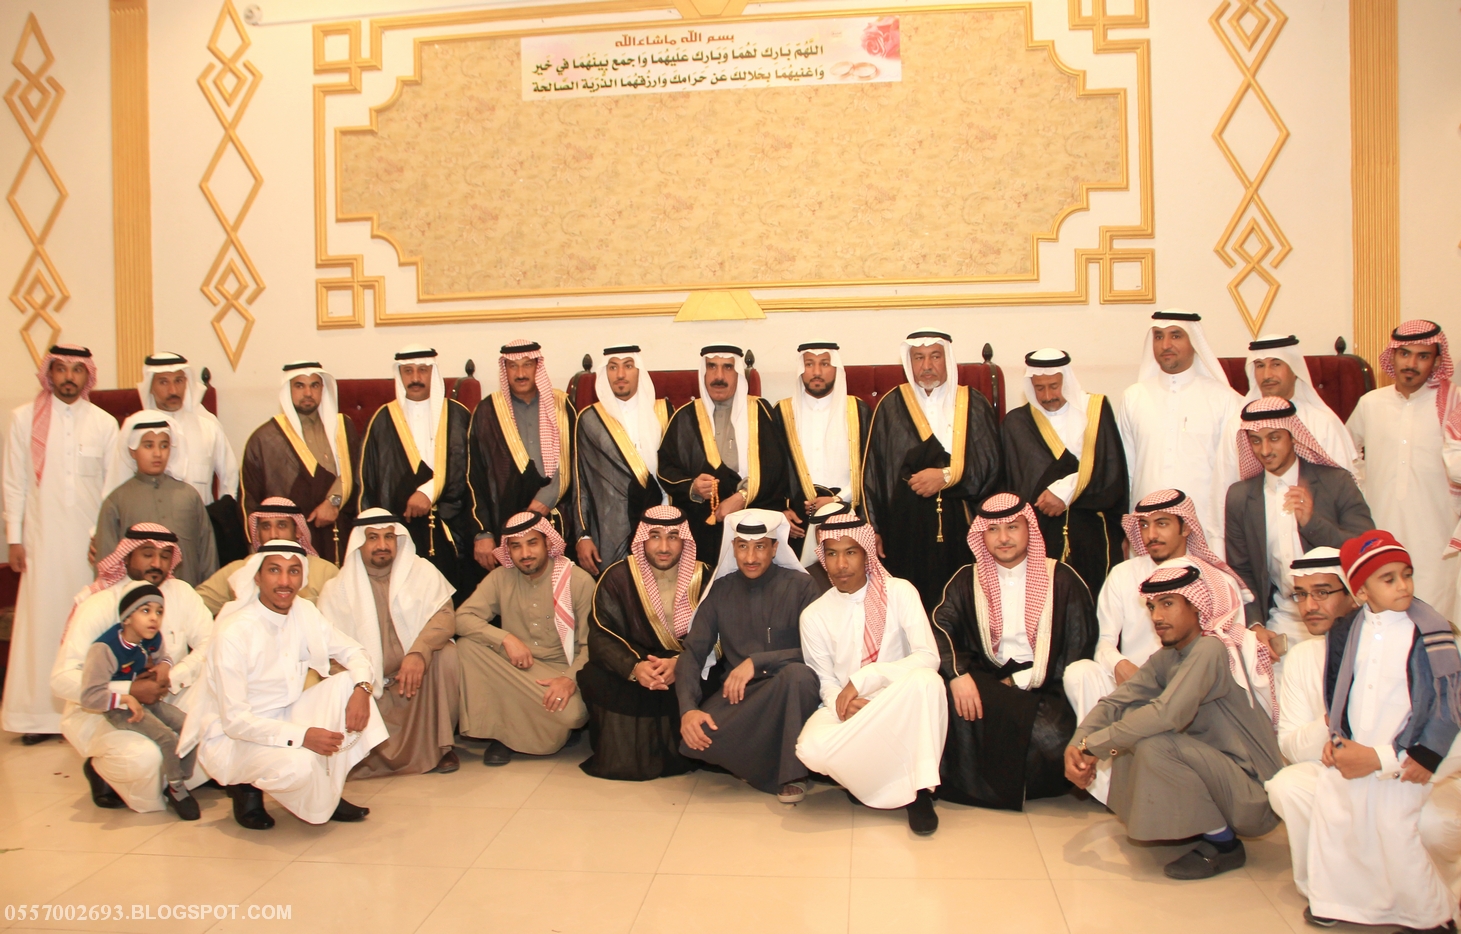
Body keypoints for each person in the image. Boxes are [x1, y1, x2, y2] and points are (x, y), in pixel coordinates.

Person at [1279, 531, 1459, 929]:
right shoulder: (1348, 629)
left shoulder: (1429, 631)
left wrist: (1422, 754)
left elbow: (1446, 702)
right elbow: (1338, 689)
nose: (1404, 586)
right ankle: (1335, 903)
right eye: (1389, 579)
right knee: (1336, 819)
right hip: (1355, 748)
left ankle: (1431, 915)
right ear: (1361, 591)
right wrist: (1336, 738)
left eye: (1407, 575)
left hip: (1403, 756)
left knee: (1395, 831)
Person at [1065, 560, 1281, 881]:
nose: (1156, 616)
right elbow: (1116, 701)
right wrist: (1077, 743)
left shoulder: (1210, 649)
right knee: (1132, 719)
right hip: (1224, 776)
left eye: (1167, 604)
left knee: (1153, 740)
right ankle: (1202, 824)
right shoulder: (1169, 656)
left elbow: (1167, 714)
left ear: (1197, 606)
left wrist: (1093, 746)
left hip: (1254, 795)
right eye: (1152, 606)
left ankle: (1224, 845)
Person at [178, 540, 388, 829]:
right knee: (299, 766)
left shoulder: (305, 613)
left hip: (286, 712)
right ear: (257, 576)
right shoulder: (234, 632)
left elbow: (355, 652)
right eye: (274, 570)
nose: (285, 582)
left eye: (293, 571)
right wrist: (302, 736)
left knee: (349, 682)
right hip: (235, 737)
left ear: (302, 578)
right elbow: (236, 722)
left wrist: (362, 690)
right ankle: (246, 787)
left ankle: (325, 791)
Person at [1062, 488, 1248, 802]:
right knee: (1080, 672)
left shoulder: (1214, 579)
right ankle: (1102, 788)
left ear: (1186, 527)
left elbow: (1228, 648)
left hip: (1190, 690)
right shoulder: (1123, 574)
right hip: (1132, 684)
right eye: (1144, 525)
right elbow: (1104, 642)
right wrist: (1120, 664)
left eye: (1162, 523)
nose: (1151, 534)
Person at [931, 492, 1096, 810]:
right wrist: (957, 674)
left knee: (1053, 738)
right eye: (993, 530)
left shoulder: (1062, 579)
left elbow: (1078, 647)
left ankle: (994, 783)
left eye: (1012, 527)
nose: (1003, 538)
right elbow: (938, 628)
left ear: (1029, 529)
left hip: (1045, 683)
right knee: (949, 702)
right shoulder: (966, 580)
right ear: (982, 535)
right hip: (987, 680)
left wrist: (1019, 681)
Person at [795, 510, 945, 833]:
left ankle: (919, 792)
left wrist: (865, 679)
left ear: (866, 553)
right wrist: (843, 703)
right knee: (809, 748)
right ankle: (867, 781)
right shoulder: (814, 615)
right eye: (832, 554)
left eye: (850, 552)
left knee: (928, 682)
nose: (841, 564)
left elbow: (928, 657)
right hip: (852, 708)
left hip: (898, 701)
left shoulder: (900, 591)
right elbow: (824, 679)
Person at [52, 524, 214, 813]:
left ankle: (175, 780)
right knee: (145, 758)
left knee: (215, 723)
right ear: (126, 557)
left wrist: (171, 676)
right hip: (103, 709)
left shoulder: (181, 593)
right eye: (147, 554)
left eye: (165, 556)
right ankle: (105, 771)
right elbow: (62, 678)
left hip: (166, 697)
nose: (157, 563)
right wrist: (130, 690)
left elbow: (211, 645)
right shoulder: (99, 603)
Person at [1, 345, 117, 742]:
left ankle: (89, 712)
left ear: (88, 375)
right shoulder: (23, 419)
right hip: (41, 542)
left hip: (88, 548)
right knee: (41, 625)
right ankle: (36, 718)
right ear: (49, 373)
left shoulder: (104, 424)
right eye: (61, 369)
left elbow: (110, 489)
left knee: (85, 624)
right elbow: (14, 483)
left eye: (77, 370)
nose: (69, 377)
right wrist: (14, 539)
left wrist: (102, 540)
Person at [674, 510, 822, 802]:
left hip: (788, 692)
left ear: (775, 548)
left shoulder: (802, 586)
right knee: (697, 736)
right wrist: (688, 709)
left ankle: (791, 775)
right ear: (733, 547)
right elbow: (693, 653)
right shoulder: (721, 590)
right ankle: (766, 760)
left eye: (760, 546)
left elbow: (818, 651)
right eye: (742, 546)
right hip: (741, 697)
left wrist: (757, 662)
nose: (750, 557)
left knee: (798, 676)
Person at [862, 329, 1002, 609]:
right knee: (910, 604)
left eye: (935, 356)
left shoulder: (973, 402)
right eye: (919, 358)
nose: (926, 366)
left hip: (962, 522)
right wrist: (873, 529)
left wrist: (946, 476)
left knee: (963, 601)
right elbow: (874, 472)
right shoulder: (891, 405)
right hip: (906, 528)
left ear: (947, 359)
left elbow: (991, 464)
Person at [317, 508, 460, 777]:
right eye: (373, 537)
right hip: (368, 689)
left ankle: (440, 746)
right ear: (360, 543)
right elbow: (328, 650)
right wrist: (361, 682)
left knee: (448, 655)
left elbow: (444, 617)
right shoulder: (337, 590)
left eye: (389, 537)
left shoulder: (421, 572)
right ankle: (365, 755)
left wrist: (419, 652)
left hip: (416, 682)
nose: (382, 545)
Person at [1224, 396, 1373, 651]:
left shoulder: (1336, 482)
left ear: (1293, 435)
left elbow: (1365, 550)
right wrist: (1255, 624)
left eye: (1274, 438)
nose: (1265, 450)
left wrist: (1312, 522)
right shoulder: (1240, 497)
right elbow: (1241, 570)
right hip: (1282, 618)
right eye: (1256, 441)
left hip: (1340, 616)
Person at [455, 511, 595, 765]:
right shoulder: (501, 578)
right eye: (516, 546)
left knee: (573, 714)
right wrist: (506, 638)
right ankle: (503, 736)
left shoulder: (578, 581)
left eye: (532, 543)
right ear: (508, 550)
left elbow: (592, 646)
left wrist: (569, 680)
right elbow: (462, 618)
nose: (525, 553)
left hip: (560, 671)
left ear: (548, 543)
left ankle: (540, 727)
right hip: (517, 667)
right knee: (466, 648)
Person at [577, 505, 706, 781]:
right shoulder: (617, 577)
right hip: (637, 662)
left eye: (673, 537)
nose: (664, 547)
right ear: (642, 538)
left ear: (684, 539)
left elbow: (719, 635)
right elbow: (600, 634)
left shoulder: (705, 577)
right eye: (655, 536)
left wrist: (681, 663)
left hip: (687, 663)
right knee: (596, 676)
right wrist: (634, 668)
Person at [1347, 319, 1461, 620]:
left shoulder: (1454, 404)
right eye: (1405, 354)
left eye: (1423, 356)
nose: (1411, 364)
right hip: (1381, 533)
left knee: (1436, 622)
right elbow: (1345, 455)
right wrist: (1364, 487)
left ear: (1437, 361)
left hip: (1437, 542)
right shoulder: (1371, 403)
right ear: (1393, 356)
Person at [1001, 348, 1127, 597]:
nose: (1048, 396)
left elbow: (1110, 471)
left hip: (1092, 532)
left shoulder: (1095, 411)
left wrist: (1065, 492)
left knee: (1094, 599)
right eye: (1039, 388)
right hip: (1042, 536)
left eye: (1054, 386)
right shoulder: (1017, 423)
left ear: (1066, 382)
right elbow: (1016, 483)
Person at [1116, 310, 1243, 555]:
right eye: (1158, 336)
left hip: (1206, 529)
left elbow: (1232, 473)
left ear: (1193, 341)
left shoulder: (1225, 400)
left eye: (1176, 335)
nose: (1165, 345)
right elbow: (1126, 472)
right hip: (1147, 534)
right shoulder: (1134, 397)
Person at [357, 346, 475, 595]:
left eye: (423, 370)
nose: (416, 378)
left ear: (434, 373)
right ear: (399, 375)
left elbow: (466, 468)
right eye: (408, 371)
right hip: (400, 528)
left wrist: (428, 492)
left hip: (451, 527)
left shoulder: (457, 414)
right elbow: (369, 480)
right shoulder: (382, 419)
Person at [656, 345, 791, 561]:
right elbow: (666, 469)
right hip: (703, 528)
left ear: (738, 374)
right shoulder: (684, 417)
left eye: (728, 367)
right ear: (704, 372)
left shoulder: (760, 411)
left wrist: (742, 496)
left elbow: (777, 468)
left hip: (755, 521)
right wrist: (693, 487)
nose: (719, 376)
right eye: (712, 367)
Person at [78, 581, 199, 820]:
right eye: (145, 610)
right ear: (127, 618)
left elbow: (164, 657)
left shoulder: (151, 637)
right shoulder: (104, 649)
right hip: (118, 707)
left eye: (159, 612)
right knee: (166, 737)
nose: (154, 618)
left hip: (146, 700)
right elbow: (89, 697)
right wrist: (124, 698)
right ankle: (177, 788)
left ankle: (179, 777)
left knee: (190, 727)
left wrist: (165, 666)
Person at [471, 340, 579, 574]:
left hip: (556, 513)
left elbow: (576, 461)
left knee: (559, 584)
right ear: (505, 369)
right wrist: (483, 531)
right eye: (512, 366)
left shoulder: (562, 405)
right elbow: (475, 475)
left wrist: (548, 497)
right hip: (504, 517)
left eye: (527, 364)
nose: (520, 373)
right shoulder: (488, 410)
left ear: (537, 366)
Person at [241, 361, 361, 562]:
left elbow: (357, 475)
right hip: (287, 543)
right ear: (287, 390)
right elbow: (250, 502)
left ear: (323, 389)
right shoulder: (264, 439)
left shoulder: (343, 427)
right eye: (299, 386)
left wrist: (333, 502)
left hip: (340, 533)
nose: (308, 393)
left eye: (314, 385)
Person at [771, 341, 872, 564]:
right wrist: (781, 511)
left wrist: (837, 500)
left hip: (848, 512)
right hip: (797, 520)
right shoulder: (783, 412)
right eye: (809, 364)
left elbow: (870, 469)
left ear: (836, 368)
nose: (816, 372)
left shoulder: (858, 410)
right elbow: (772, 469)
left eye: (824, 364)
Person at [1215, 334, 1359, 490]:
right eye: (1260, 366)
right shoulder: (1238, 424)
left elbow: (1344, 490)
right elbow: (1224, 487)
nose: (1267, 375)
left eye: (1276, 364)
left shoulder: (1323, 423)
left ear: (1294, 369)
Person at [573, 345, 669, 576]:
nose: (620, 374)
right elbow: (580, 482)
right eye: (613, 367)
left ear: (639, 371)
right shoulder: (590, 419)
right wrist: (583, 535)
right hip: (610, 529)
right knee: (616, 590)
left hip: (662, 521)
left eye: (628, 366)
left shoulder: (663, 412)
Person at [94, 412, 218, 587]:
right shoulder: (116, 501)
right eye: (148, 445)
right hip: (136, 599)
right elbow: (107, 566)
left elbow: (207, 554)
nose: (157, 453)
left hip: (187, 596)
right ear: (132, 451)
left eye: (164, 446)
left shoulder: (189, 495)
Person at [119, 351, 238, 505]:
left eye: (179, 381)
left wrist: (223, 514)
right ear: (150, 386)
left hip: (200, 518)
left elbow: (230, 479)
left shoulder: (209, 428)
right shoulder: (135, 430)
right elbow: (120, 487)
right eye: (163, 382)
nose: (173, 390)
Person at [195, 497, 339, 615]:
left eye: (281, 525)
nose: (273, 535)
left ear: (298, 531)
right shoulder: (238, 569)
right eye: (266, 527)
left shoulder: (325, 571)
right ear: (257, 534)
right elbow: (194, 605)